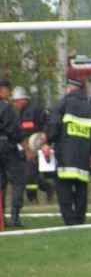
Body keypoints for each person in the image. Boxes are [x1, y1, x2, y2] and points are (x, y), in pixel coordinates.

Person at [46, 76, 91, 226]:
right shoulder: (90, 108)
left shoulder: (63, 103)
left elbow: (53, 124)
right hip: (83, 157)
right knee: (81, 188)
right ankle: (80, 218)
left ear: (70, 89)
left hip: (65, 155)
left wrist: (48, 142)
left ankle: (70, 219)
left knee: (63, 188)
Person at [12, 87, 49, 206]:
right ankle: (47, 187)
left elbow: (42, 125)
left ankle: (32, 196)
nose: (15, 104)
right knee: (29, 173)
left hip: (35, 146)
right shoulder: (22, 112)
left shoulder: (33, 110)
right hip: (25, 146)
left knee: (29, 173)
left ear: (23, 99)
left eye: (16, 101)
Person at [0, 77, 27, 228]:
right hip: (7, 146)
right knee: (17, 180)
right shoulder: (6, 108)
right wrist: (26, 148)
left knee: (1, 183)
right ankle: (15, 216)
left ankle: (1, 216)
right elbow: (14, 131)